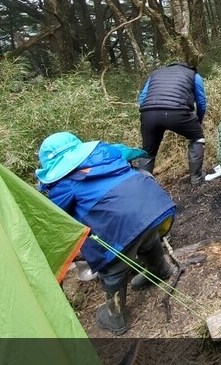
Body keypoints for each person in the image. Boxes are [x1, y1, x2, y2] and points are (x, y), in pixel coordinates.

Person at [36, 132, 176, 336]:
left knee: (113, 268)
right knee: (146, 237)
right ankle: (160, 269)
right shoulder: (107, 152)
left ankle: (115, 317)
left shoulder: (64, 183)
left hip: (122, 223)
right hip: (153, 205)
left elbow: (56, 216)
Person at [137, 62, 207, 184]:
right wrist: (198, 121)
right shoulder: (193, 75)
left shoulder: (155, 74)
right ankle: (196, 178)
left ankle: (143, 185)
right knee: (197, 138)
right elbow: (201, 101)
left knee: (147, 152)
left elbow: (143, 98)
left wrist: (149, 114)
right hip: (178, 112)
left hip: (149, 113)